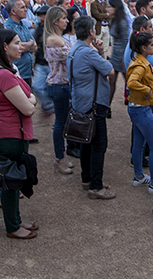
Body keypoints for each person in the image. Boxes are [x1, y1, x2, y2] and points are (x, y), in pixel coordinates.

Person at [0, 29, 39, 239]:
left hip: (14, 132)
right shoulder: (4, 75)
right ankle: (12, 226)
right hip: (10, 134)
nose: (21, 47)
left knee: (14, 180)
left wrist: (30, 100)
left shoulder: (6, 71)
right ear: (4, 47)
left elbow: (30, 97)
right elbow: (28, 107)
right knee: (10, 182)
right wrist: (30, 101)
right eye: (17, 43)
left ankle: (16, 221)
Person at [67, 16, 115, 199]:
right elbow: (109, 70)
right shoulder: (88, 52)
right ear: (90, 32)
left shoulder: (74, 49)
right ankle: (96, 186)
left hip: (80, 101)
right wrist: (101, 52)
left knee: (86, 141)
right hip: (94, 103)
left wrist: (100, 51)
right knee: (99, 144)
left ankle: (87, 178)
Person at [126, 31, 153, 194]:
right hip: (141, 108)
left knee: (139, 143)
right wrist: (146, 89)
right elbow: (131, 82)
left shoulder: (140, 60)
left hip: (138, 107)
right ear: (144, 47)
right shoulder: (141, 65)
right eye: (152, 45)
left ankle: (139, 176)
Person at [43, 7, 75, 174]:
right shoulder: (55, 40)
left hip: (61, 84)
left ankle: (61, 156)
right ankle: (59, 158)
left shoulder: (57, 38)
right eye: (63, 18)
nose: (67, 21)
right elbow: (72, 58)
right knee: (60, 123)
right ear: (55, 21)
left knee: (63, 123)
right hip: (59, 85)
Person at [107, 0, 128, 111]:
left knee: (129, 82)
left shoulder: (122, 23)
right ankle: (107, 107)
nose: (107, 9)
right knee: (111, 82)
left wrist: (125, 59)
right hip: (115, 54)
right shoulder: (114, 20)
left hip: (121, 56)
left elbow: (125, 41)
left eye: (109, 7)